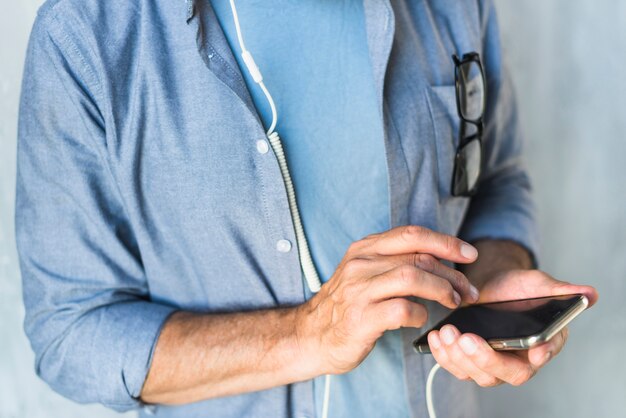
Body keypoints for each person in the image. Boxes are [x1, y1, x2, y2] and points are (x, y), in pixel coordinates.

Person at [16, 0, 598, 417]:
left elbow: (497, 176)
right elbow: (71, 330)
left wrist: (488, 284)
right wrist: (305, 335)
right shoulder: (86, 34)